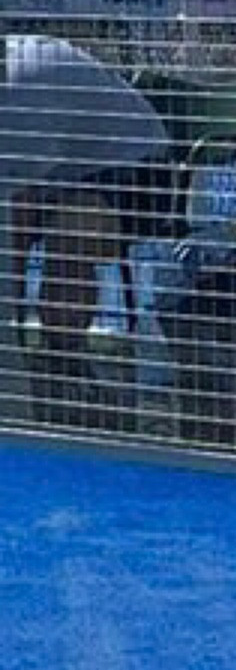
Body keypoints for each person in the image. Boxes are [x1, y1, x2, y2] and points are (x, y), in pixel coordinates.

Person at [0, 35, 173, 426]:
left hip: (137, 171)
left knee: (68, 235)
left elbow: (17, 210)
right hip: (61, 173)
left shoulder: (25, 92)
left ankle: (65, 361)